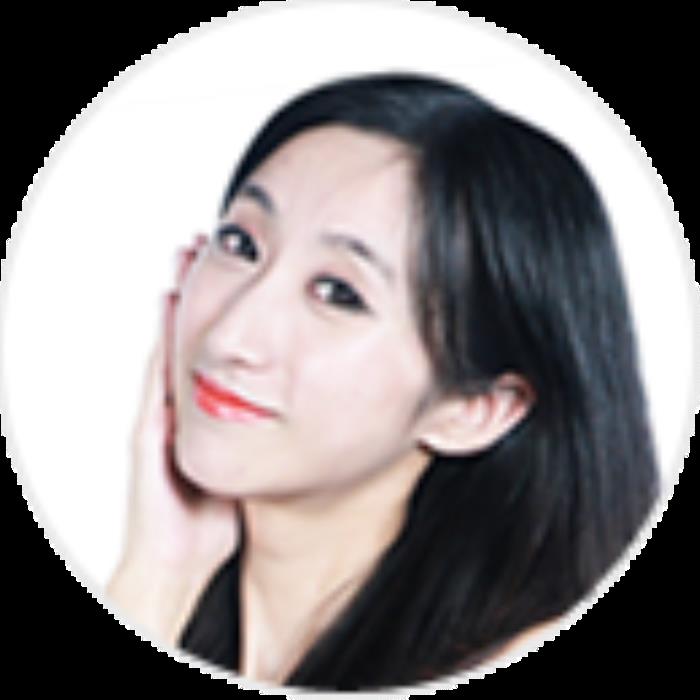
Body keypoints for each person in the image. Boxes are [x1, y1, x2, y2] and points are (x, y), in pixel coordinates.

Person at [107, 73, 660, 690]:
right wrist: (160, 577)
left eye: (338, 293)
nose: (229, 334)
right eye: (241, 244)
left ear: (475, 408)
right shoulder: (178, 615)